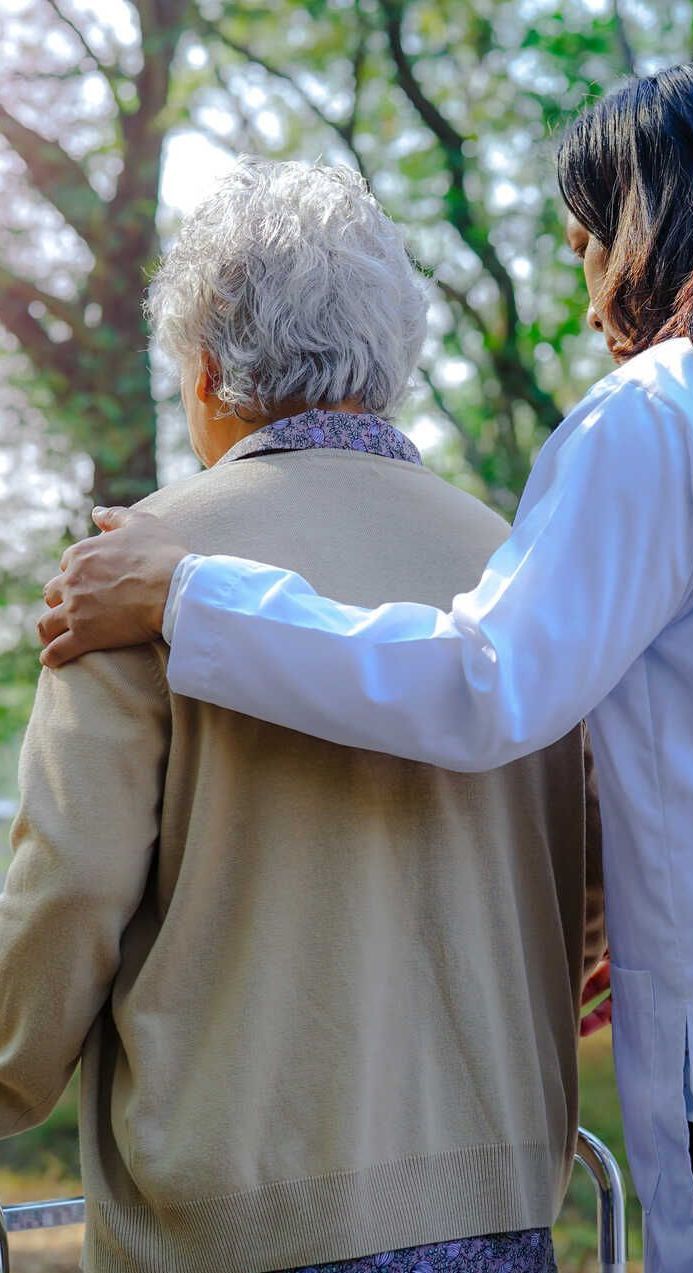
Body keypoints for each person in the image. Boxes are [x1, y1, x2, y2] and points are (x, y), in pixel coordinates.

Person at [38, 64, 693, 1273]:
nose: (587, 303)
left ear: (672, 222)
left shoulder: (677, 411)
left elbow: (486, 683)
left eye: (587, 243)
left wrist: (189, 597)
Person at [2, 158, 605, 1273]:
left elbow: (71, 883)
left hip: (238, 1219)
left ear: (205, 366)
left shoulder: (129, 570)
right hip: (500, 1200)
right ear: (394, 356)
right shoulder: (521, 568)